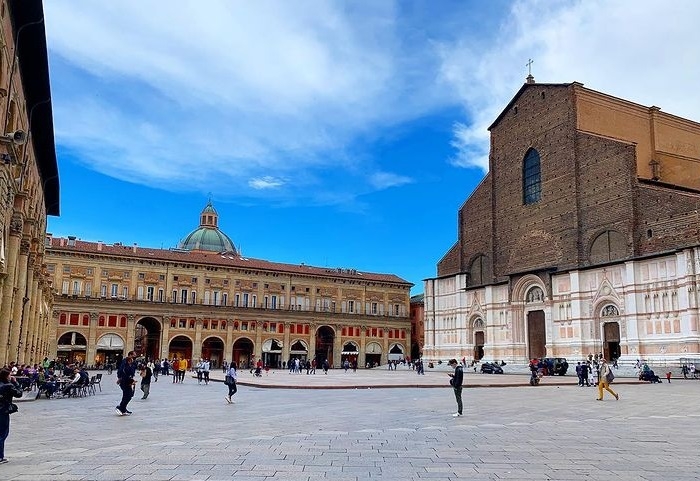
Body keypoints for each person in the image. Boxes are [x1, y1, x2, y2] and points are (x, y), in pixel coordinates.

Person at [0, 368, 23, 463]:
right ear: (6, 376)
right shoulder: (8, 385)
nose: (11, 376)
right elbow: (19, 394)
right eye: (9, 375)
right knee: (2, 434)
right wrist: (16, 383)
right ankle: (0, 456)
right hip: (3, 411)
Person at [116, 351, 137, 415]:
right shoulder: (125, 362)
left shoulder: (132, 363)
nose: (135, 356)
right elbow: (121, 370)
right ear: (130, 355)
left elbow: (132, 371)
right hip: (125, 381)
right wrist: (119, 378)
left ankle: (123, 408)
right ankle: (121, 407)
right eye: (134, 355)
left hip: (128, 381)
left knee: (127, 395)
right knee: (128, 395)